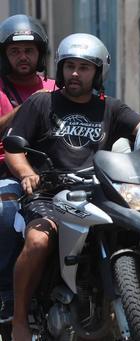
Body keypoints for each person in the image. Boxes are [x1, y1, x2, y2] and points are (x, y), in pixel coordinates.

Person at [4, 33, 140, 340]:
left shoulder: (110, 108)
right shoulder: (41, 103)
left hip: (96, 191)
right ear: (61, 68)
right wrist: (26, 173)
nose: (75, 73)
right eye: (70, 66)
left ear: (98, 72)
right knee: (37, 241)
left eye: (84, 67)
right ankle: (20, 320)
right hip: (49, 193)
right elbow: (13, 148)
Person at [0, 14, 55, 324]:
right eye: (15, 51)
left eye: (29, 50)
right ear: (5, 55)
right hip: (6, 174)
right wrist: (25, 109)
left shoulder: (55, 85)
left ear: (39, 53)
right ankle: (7, 297)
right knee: (6, 216)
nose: (23, 57)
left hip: (53, 173)